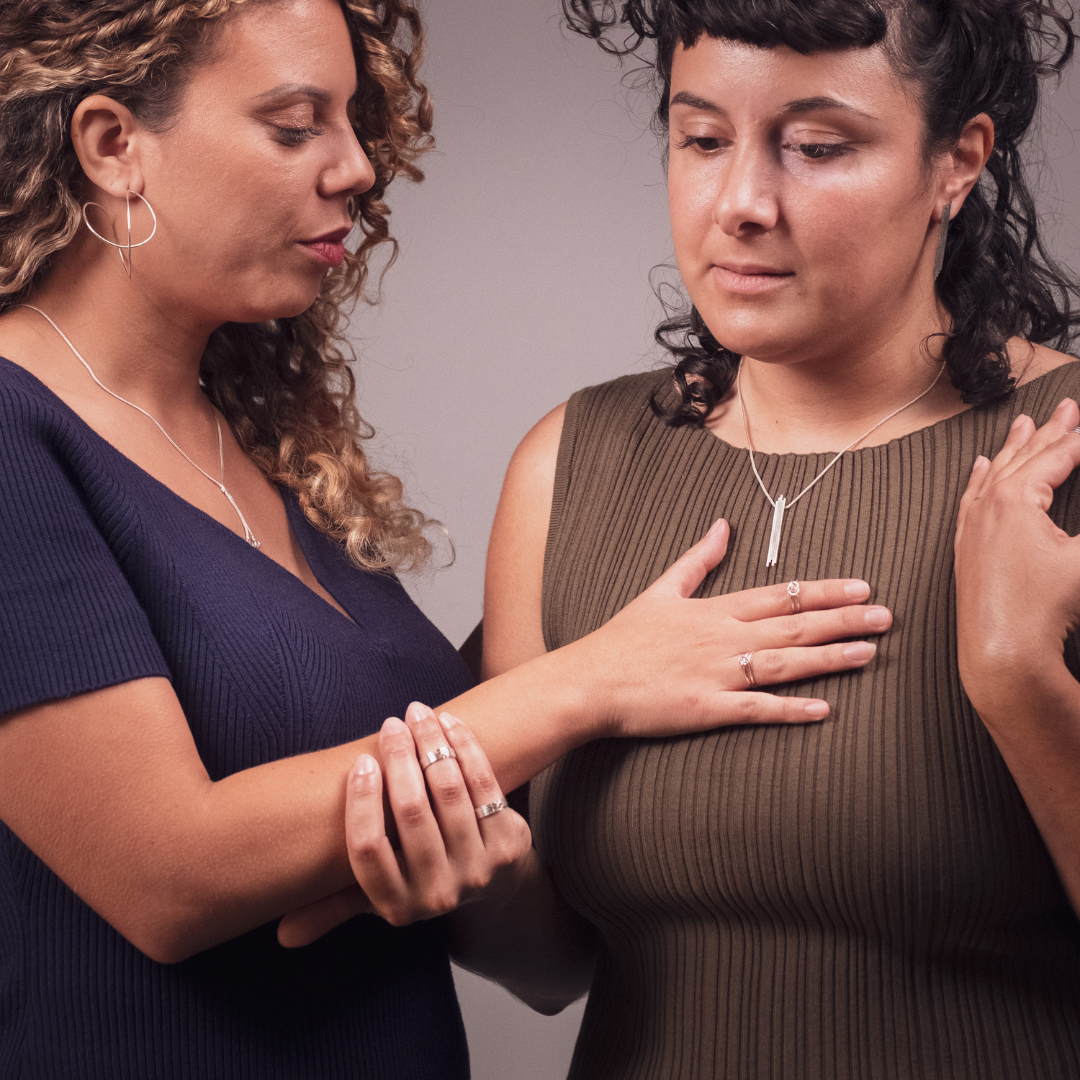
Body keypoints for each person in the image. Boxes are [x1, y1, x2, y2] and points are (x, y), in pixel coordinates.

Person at [0, 0, 892, 1076]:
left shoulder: (254, 443)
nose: (356, 168)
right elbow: (167, 875)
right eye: (294, 127)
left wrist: (486, 867)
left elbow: (549, 970)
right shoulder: (17, 427)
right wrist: (590, 682)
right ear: (112, 145)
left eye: (352, 121)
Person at [310, 0, 1080, 1076]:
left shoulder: (1064, 456)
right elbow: (554, 973)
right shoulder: (568, 463)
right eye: (703, 137)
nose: (742, 203)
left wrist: (1018, 677)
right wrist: (480, 884)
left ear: (958, 161)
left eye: (818, 146)